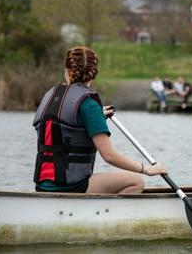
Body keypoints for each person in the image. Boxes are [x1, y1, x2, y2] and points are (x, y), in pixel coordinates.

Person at [33, 46, 167, 194]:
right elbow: (109, 156)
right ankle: (107, 216)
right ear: (93, 73)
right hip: (72, 185)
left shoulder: (49, 96)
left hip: (42, 185)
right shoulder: (89, 106)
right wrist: (146, 169)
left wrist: (96, 116)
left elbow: (62, 128)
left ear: (66, 70)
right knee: (136, 182)